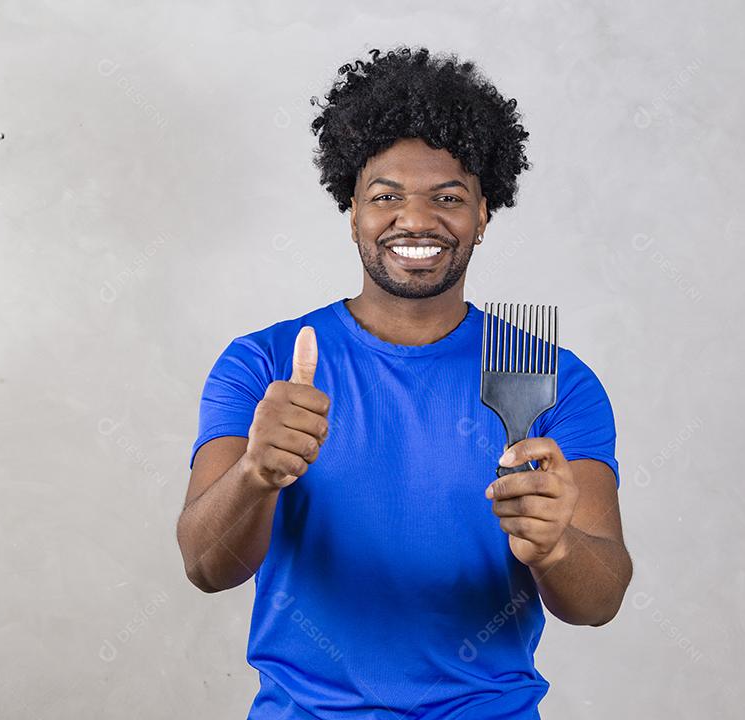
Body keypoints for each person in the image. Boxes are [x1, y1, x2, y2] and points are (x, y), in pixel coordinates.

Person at [176, 45, 631, 719]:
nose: (415, 220)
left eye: (448, 198)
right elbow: (206, 568)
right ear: (353, 211)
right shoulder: (262, 363)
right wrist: (255, 474)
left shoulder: (551, 379)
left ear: (483, 215)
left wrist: (556, 545)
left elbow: (599, 602)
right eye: (386, 197)